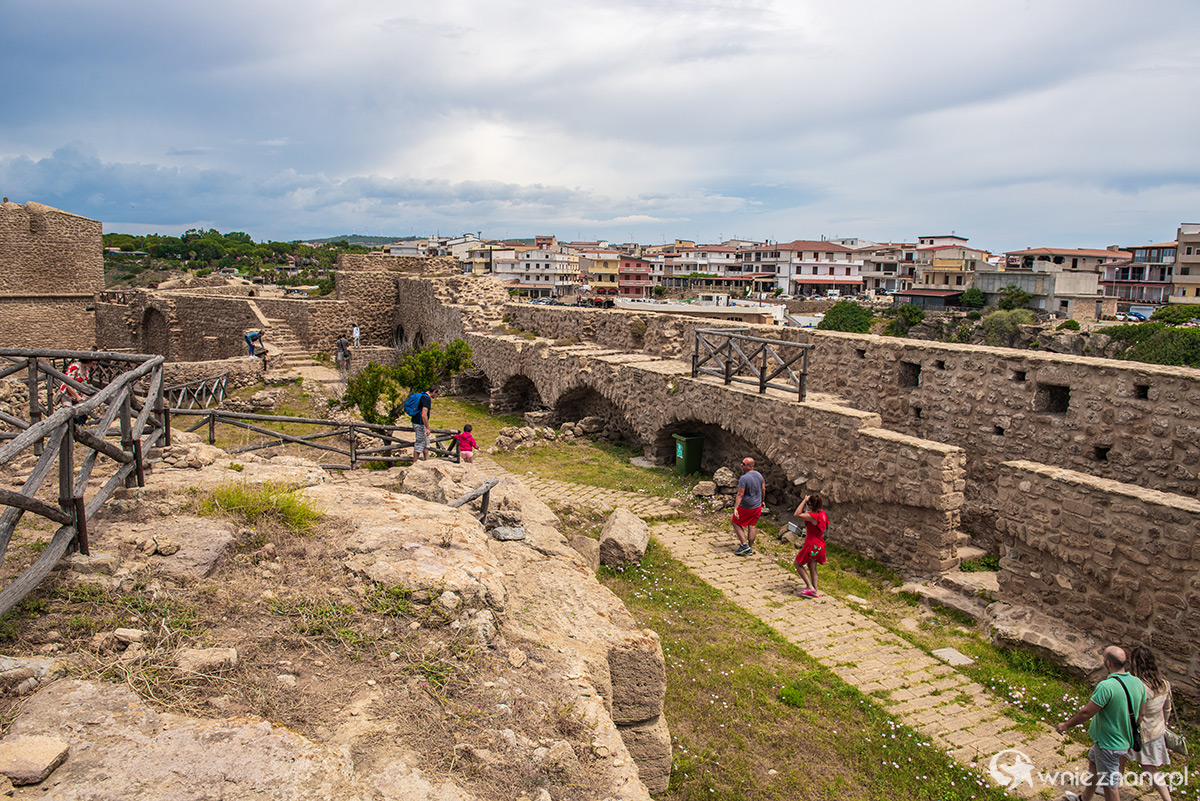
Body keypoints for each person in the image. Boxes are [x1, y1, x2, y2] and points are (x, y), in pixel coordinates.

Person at [1056, 645, 1147, 801]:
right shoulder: (1138, 683)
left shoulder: (1106, 686)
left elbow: (1087, 712)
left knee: (1109, 787)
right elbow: (1141, 714)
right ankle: (1084, 798)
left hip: (1109, 744)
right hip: (1121, 740)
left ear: (1108, 663)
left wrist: (1066, 725)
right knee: (1094, 764)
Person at [1126, 646, 1174, 801]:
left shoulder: (1139, 687)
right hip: (1157, 731)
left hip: (1141, 734)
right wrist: (1164, 724)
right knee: (1119, 758)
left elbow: (1137, 714)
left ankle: (1167, 799)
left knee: (1149, 768)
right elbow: (1167, 708)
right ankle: (1105, 786)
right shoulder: (1164, 684)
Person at [792, 493, 828, 597]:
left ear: (811, 505)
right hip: (820, 544)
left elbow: (797, 514)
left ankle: (809, 586)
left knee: (798, 564)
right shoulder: (823, 514)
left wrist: (803, 501)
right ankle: (816, 591)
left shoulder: (813, 517)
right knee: (812, 566)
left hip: (811, 544)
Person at [732, 457, 764, 556]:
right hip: (757, 506)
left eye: (744, 464)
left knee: (735, 522)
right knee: (752, 526)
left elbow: (740, 494)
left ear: (750, 466)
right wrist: (762, 501)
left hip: (746, 506)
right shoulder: (759, 475)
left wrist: (736, 508)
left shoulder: (744, 478)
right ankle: (750, 548)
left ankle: (744, 544)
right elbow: (763, 489)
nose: (741, 465)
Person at [411, 387, 437, 461]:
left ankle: (426, 460)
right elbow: (424, 414)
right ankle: (414, 463)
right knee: (419, 444)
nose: (437, 396)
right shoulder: (426, 399)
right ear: (434, 391)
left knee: (426, 443)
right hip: (420, 424)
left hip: (417, 422)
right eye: (437, 394)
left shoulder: (422, 395)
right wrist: (427, 427)